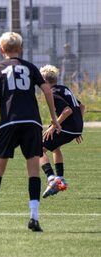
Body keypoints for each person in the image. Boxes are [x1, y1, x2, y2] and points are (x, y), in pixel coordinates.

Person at [0, 32, 61, 232]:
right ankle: (34, 217)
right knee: (33, 169)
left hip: (9, 122)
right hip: (32, 122)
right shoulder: (30, 67)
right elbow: (48, 91)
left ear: (1, 50)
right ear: (21, 49)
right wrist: (53, 118)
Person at [39, 65, 85, 198]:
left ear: (45, 81)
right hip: (74, 127)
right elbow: (81, 106)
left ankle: (51, 178)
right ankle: (60, 179)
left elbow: (67, 110)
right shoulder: (64, 89)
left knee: (37, 148)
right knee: (55, 147)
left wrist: (54, 125)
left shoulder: (52, 93)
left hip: (66, 127)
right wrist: (78, 128)